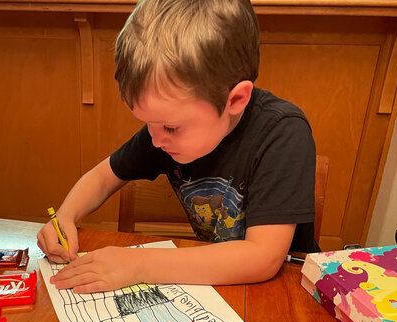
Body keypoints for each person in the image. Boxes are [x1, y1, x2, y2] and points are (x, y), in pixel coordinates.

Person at [37, 0, 317, 293]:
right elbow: (102, 176)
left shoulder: (283, 133)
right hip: (220, 287)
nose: (156, 140)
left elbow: (263, 257)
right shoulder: (164, 132)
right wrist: (66, 216)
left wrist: (138, 264)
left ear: (235, 101)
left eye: (170, 127)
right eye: (149, 124)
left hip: (284, 295)